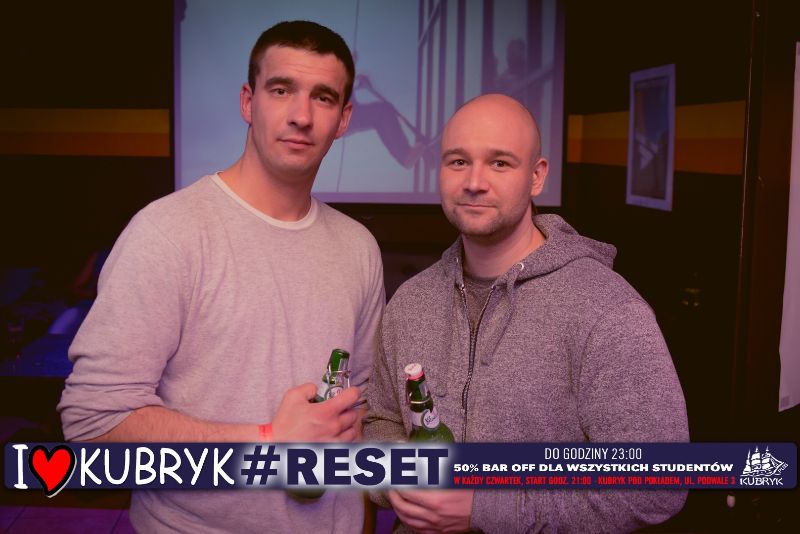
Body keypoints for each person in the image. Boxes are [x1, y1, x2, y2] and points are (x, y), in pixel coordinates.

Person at [58, 20, 385, 533]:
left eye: (323, 97)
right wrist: (269, 442)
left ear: (343, 119)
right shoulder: (167, 233)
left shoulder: (358, 247)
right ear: (248, 102)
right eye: (281, 90)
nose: (301, 116)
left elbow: (357, 412)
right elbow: (92, 426)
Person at [364, 93, 689, 533]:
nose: (474, 182)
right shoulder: (410, 302)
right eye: (458, 161)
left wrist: (486, 507)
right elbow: (381, 422)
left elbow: (658, 481)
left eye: (500, 163)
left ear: (536, 177)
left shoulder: (608, 310)